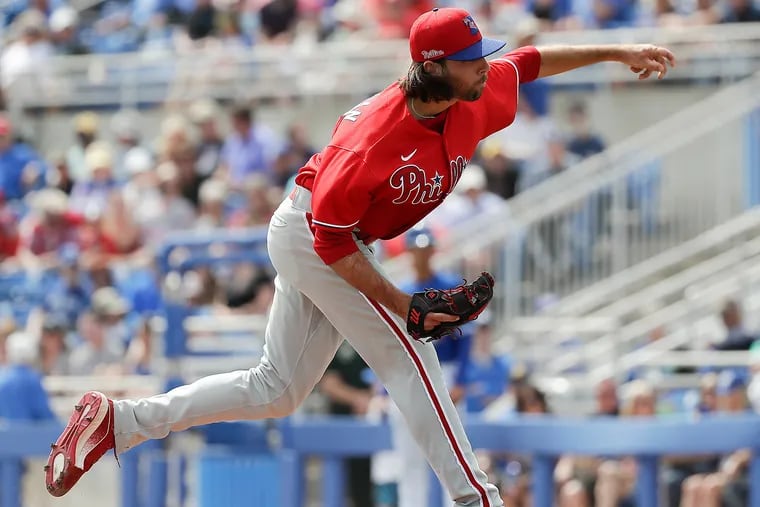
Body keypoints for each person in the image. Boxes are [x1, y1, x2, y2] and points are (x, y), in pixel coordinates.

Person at [45, 7, 676, 504]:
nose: (484, 64)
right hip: (315, 232)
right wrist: (405, 306)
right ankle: (476, 498)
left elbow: (530, 62)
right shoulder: (370, 141)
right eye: (468, 59)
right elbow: (330, 243)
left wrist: (618, 50)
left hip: (337, 237)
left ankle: (119, 422)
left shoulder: (473, 94)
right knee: (409, 352)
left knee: (277, 389)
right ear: (432, 68)